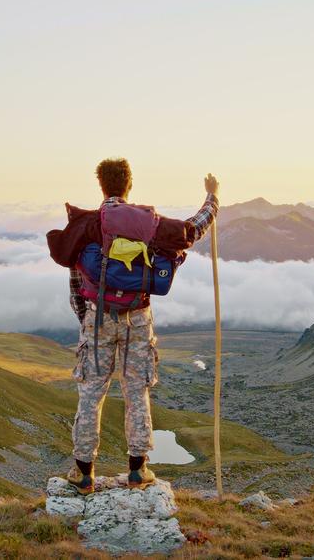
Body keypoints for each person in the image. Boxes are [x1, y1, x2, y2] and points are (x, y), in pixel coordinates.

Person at [47, 158, 219, 494]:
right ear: (129, 185)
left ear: (101, 186)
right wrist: (212, 198)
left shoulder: (87, 226)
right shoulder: (147, 225)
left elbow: (74, 286)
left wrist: (88, 320)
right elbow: (192, 230)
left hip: (97, 319)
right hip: (138, 318)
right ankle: (139, 471)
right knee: (137, 393)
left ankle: (83, 474)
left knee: (90, 396)